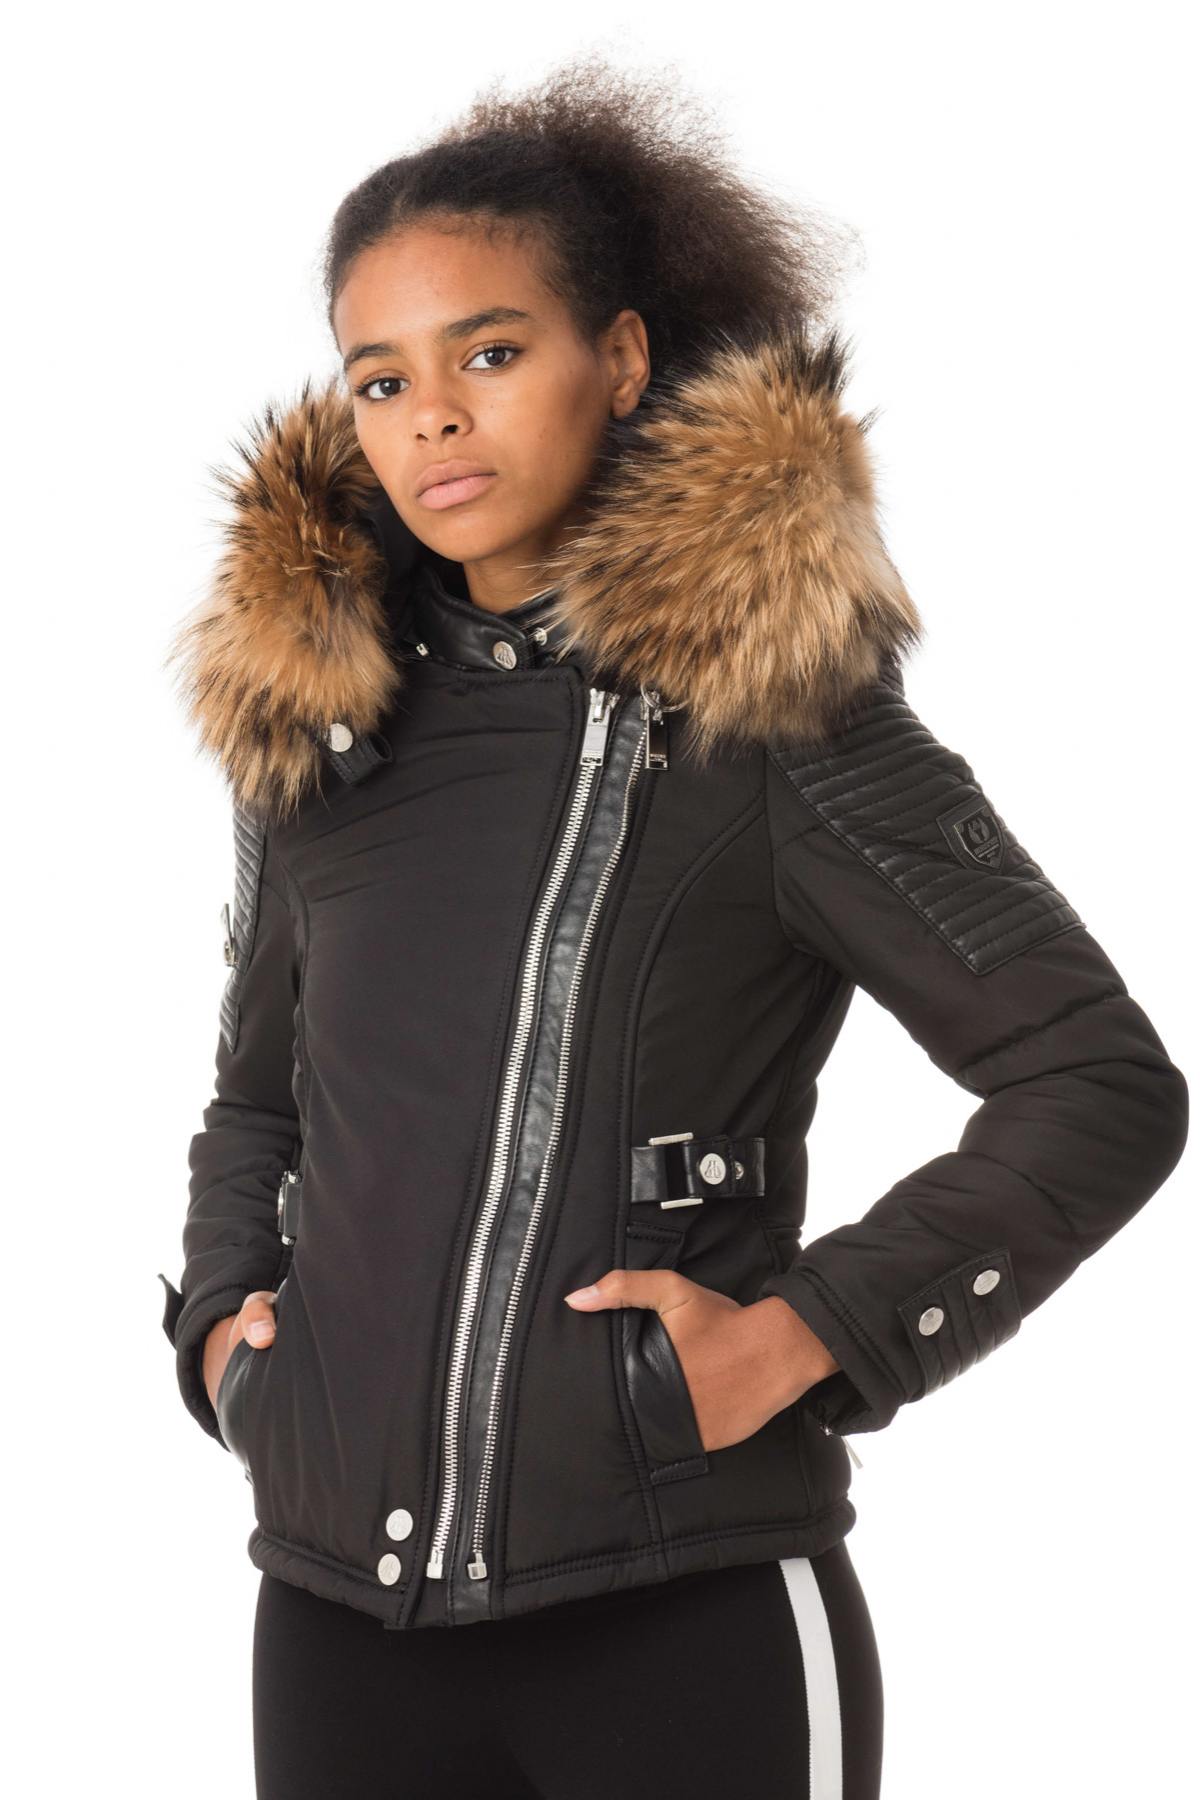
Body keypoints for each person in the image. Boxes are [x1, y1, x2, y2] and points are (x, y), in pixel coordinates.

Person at [157, 53, 1188, 1800]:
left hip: (679, 1615)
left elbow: (1097, 1084)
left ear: (622, 358)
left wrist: (809, 1333)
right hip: (333, 1624)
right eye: (383, 377)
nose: (434, 419)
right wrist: (222, 1339)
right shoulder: (321, 733)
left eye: (492, 353)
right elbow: (260, 1099)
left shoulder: (774, 716)